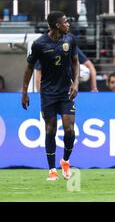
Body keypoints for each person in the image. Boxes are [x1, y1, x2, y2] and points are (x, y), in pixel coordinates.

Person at [21, 11, 79, 181]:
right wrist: (24, 92)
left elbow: (76, 62)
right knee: (51, 128)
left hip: (66, 91)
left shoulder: (70, 40)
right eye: (65, 22)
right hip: (48, 93)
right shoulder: (39, 44)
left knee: (69, 128)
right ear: (57, 25)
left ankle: (65, 161)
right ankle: (52, 169)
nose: (68, 24)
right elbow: (29, 68)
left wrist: (75, 83)